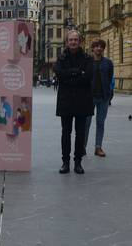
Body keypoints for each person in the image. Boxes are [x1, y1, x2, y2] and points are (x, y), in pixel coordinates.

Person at [54, 30, 93, 174]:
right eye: (71, 40)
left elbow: (88, 76)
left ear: (80, 41)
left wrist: (69, 75)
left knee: (80, 133)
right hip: (66, 101)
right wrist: (77, 72)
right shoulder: (61, 58)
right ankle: (65, 162)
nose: (73, 42)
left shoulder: (87, 58)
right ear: (67, 42)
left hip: (83, 100)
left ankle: (78, 162)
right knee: (66, 132)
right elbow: (59, 74)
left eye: (75, 40)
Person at [84, 38, 114, 157]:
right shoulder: (87, 61)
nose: (99, 48)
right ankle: (83, 147)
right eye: (96, 46)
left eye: (101, 46)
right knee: (86, 123)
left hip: (103, 97)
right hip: (88, 97)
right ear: (93, 48)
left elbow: (110, 77)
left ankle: (98, 147)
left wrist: (110, 93)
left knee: (100, 123)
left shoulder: (108, 62)